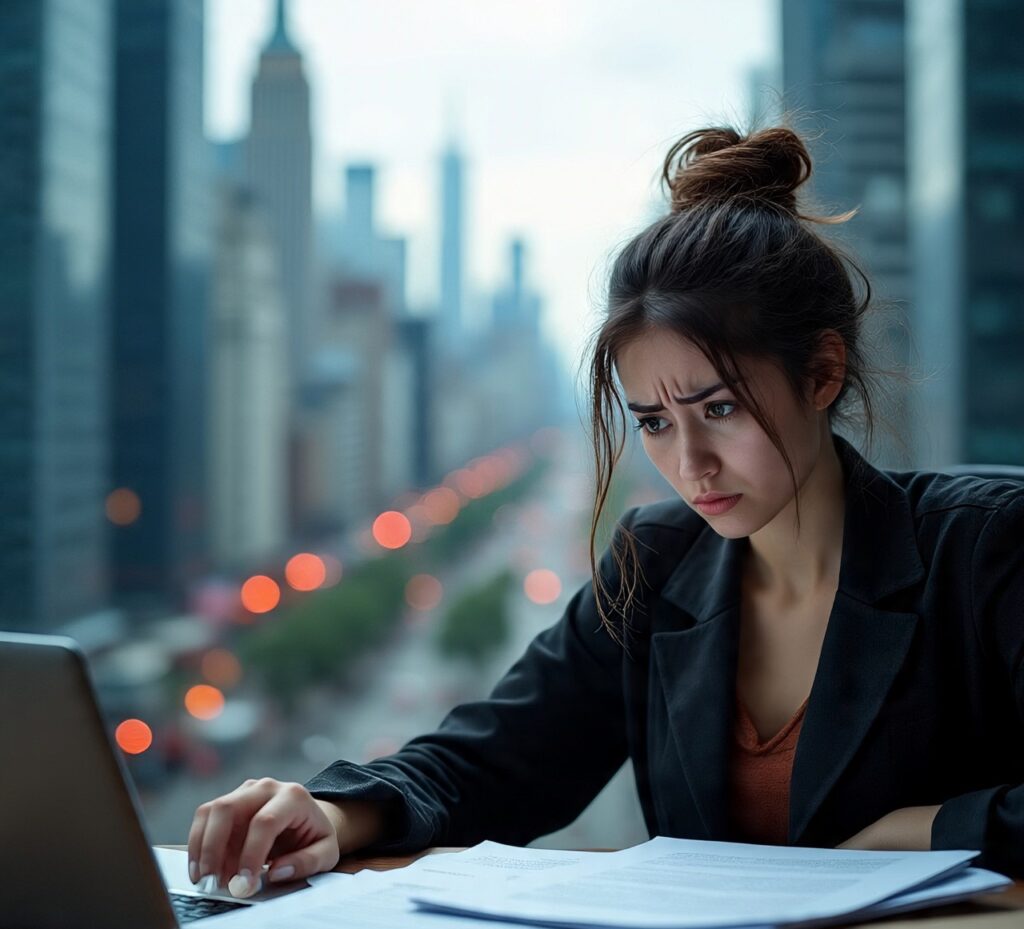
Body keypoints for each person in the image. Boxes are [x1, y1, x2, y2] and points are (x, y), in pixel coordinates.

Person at [188, 126, 1024, 896]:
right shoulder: (657, 562)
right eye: (655, 423)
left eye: (720, 409)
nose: (688, 463)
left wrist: (933, 829)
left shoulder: (986, 549)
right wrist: (334, 815)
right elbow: (496, 759)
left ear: (821, 375)